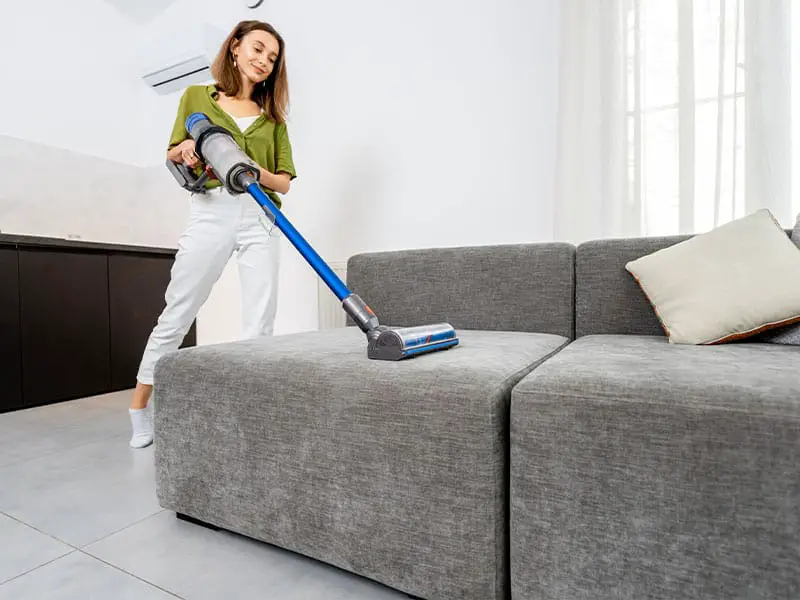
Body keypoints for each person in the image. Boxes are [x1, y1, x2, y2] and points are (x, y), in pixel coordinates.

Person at [128, 20, 297, 448]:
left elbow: (283, 181)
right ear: (235, 48)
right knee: (179, 310)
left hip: (260, 215)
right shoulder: (197, 97)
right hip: (211, 210)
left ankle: (252, 411)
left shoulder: (273, 118)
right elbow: (173, 151)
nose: (263, 61)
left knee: (261, 320)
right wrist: (188, 149)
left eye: (272, 58)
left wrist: (243, 166)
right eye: (258, 49)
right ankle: (139, 408)